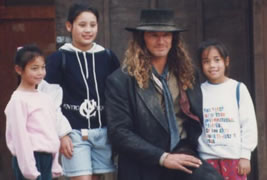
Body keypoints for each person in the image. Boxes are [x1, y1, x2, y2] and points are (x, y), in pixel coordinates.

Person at [105, 9, 224, 180]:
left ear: (173, 38)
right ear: (142, 38)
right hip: (142, 161)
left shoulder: (188, 74)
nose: (161, 41)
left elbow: (194, 119)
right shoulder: (120, 80)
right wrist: (163, 157)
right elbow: (119, 133)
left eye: (166, 35)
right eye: (154, 35)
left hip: (182, 152)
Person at [44, 3, 120, 180]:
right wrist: (62, 134)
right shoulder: (58, 59)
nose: (88, 30)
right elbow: (49, 101)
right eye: (82, 25)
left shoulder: (107, 57)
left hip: (104, 133)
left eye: (93, 25)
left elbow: (118, 96)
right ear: (69, 26)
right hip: (74, 133)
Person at [197, 39, 258, 180]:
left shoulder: (237, 89)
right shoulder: (199, 91)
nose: (212, 65)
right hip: (206, 160)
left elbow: (248, 124)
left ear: (226, 61)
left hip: (234, 160)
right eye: (206, 61)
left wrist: (245, 155)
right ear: (201, 64)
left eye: (217, 60)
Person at [5, 45, 62, 180]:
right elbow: (20, 138)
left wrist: (55, 163)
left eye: (43, 67)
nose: (40, 72)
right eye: (34, 68)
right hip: (29, 160)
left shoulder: (44, 97)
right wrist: (30, 171)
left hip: (46, 158)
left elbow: (51, 131)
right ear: (19, 69)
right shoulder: (18, 100)